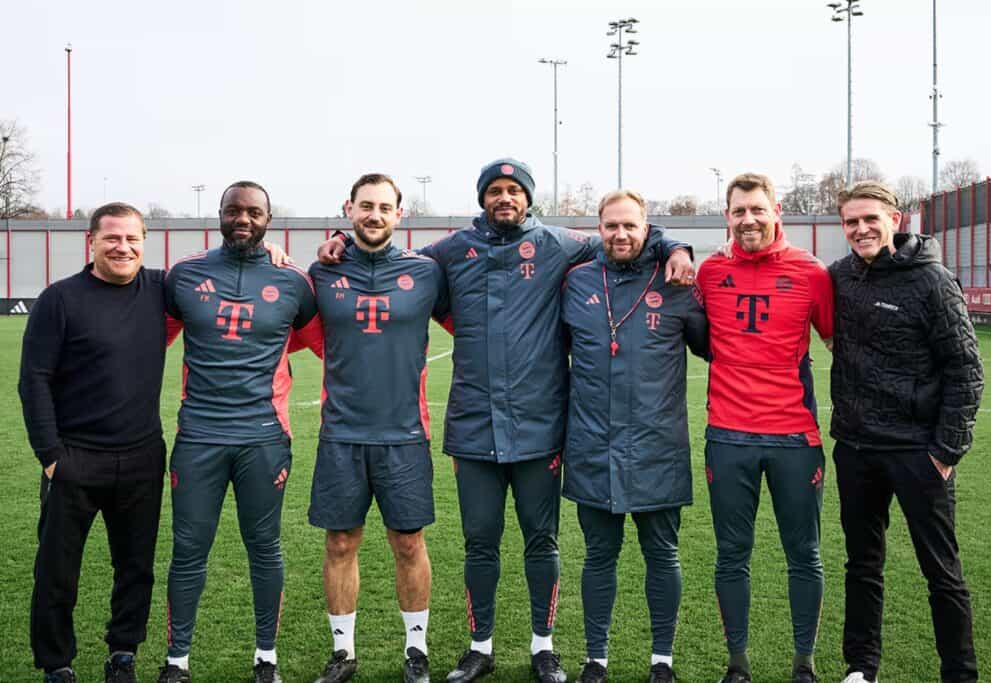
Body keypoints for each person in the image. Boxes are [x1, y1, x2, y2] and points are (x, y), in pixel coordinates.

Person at [318, 158, 695, 683]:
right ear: (482, 197)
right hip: (473, 426)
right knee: (480, 541)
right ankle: (480, 646)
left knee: (542, 542)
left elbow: (626, 236)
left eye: (513, 191)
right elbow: (389, 258)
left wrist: (675, 244)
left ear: (528, 197)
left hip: (541, 426)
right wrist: (340, 237)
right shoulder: (450, 252)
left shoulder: (560, 245)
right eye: (494, 190)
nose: (504, 198)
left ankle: (544, 647)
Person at [158, 181, 321, 683]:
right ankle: (177, 661)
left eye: (254, 211)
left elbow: (328, 348)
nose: (243, 218)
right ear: (220, 214)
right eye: (234, 210)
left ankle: (266, 659)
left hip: (264, 439)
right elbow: (141, 342)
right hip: (199, 437)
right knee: (188, 549)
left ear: (270, 218)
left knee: (264, 546)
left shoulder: (294, 282)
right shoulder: (183, 276)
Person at [829, 181, 983, 683]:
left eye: (870, 218)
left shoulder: (932, 281)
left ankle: (959, 672)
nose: (860, 229)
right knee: (862, 564)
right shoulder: (840, 277)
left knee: (941, 571)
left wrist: (946, 451)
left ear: (895, 219)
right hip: (856, 447)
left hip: (919, 452)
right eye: (851, 221)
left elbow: (966, 370)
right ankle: (861, 667)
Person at [19, 203, 176, 683]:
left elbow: (224, 268)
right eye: (112, 238)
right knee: (56, 571)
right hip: (74, 459)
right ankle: (57, 664)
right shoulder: (60, 299)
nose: (122, 247)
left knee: (136, 568)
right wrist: (51, 458)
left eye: (132, 238)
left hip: (142, 456)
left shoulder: (160, 289)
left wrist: (273, 251)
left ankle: (122, 654)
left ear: (144, 242)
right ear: (92, 242)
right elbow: (34, 380)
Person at [560, 190, 709, 683]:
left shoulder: (675, 282)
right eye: (611, 226)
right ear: (597, 230)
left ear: (648, 228)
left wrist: (676, 249)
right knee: (598, 556)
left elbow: (715, 349)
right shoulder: (576, 280)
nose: (620, 234)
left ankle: (661, 659)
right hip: (592, 444)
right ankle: (595, 658)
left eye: (630, 226)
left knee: (662, 555)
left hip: (656, 446)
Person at [306, 174, 448, 683]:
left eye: (384, 207)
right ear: (348, 209)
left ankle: (417, 650)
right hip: (341, 433)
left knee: (409, 542)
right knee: (340, 543)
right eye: (366, 206)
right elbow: (292, 326)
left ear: (399, 214)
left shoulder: (428, 272)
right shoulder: (321, 273)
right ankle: (343, 653)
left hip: (406, 435)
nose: (374, 215)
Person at [695, 173, 833, 683]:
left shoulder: (811, 273)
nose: (748, 220)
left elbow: (842, 344)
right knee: (733, 553)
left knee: (805, 553)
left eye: (757, 209)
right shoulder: (709, 272)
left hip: (796, 438)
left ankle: (804, 664)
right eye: (738, 211)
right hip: (728, 436)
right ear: (726, 216)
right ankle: (737, 664)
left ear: (777, 211)